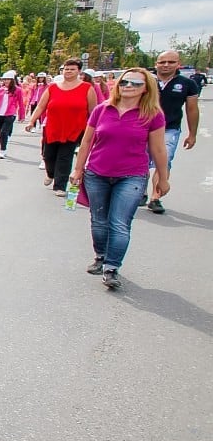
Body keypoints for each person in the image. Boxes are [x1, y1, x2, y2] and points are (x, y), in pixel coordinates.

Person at [70, 68, 168, 289]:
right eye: (125, 82)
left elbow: (159, 149)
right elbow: (86, 142)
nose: (129, 87)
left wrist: (163, 177)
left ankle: (112, 267)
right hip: (97, 173)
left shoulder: (153, 114)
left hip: (131, 176)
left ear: (146, 89)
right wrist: (78, 169)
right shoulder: (102, 110)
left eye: (136, 84)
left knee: (119, 223)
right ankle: (101, 256)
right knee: (99, 220)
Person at [26, 58, 96, 196]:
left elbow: (93, 110)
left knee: (65, 156)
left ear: (79, 71)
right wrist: (31, 121)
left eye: (72, 69)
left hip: (74, 129)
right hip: (53, 127)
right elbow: (41, 105)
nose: (69, 71)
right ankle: (50, 173)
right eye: (66, 69)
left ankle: (60, 185)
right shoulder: (53, 87)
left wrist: (93, 128)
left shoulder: (87, 88)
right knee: (48, 155)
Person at [145, 50, 200, 213]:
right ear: (156, 64)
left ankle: (155, 198)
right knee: (140, 161)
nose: (166, 65)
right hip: (142, 127)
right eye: (162, 62)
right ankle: (139, 191)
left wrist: (192, 134)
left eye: (171, 62)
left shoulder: (187, 84)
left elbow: (192, 109)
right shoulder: (146, 81)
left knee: (164, 161)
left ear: (178, 64)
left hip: (169, 129)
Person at [0, 70, 25, 159]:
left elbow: (21, 103)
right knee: (0, 132)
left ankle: (2, 150)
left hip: (10, 114)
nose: (6, 81)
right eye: (4, 79)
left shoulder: (18, 90)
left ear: (12, 80)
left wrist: (21, 116)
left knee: (3, 133)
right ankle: (3, 146)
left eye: (8, 79)